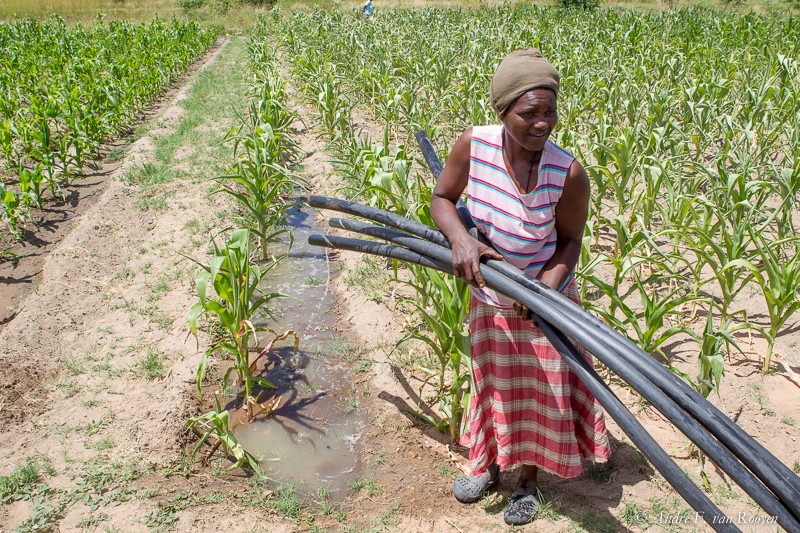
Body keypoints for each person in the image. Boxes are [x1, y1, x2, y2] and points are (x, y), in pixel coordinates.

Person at [430, 49, 611, 526]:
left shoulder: (566, 172)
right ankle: (488, 466)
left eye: (549, 111)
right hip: (490, 296)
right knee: (493, 383)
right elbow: (442, 199)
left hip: (545, 299)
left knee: (537, 390)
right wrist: (462, 239)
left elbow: (571, 241)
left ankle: (527, 483)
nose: (542, 123)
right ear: (502, 111)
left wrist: (545, 291)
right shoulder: (474, 146)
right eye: (528, 113)